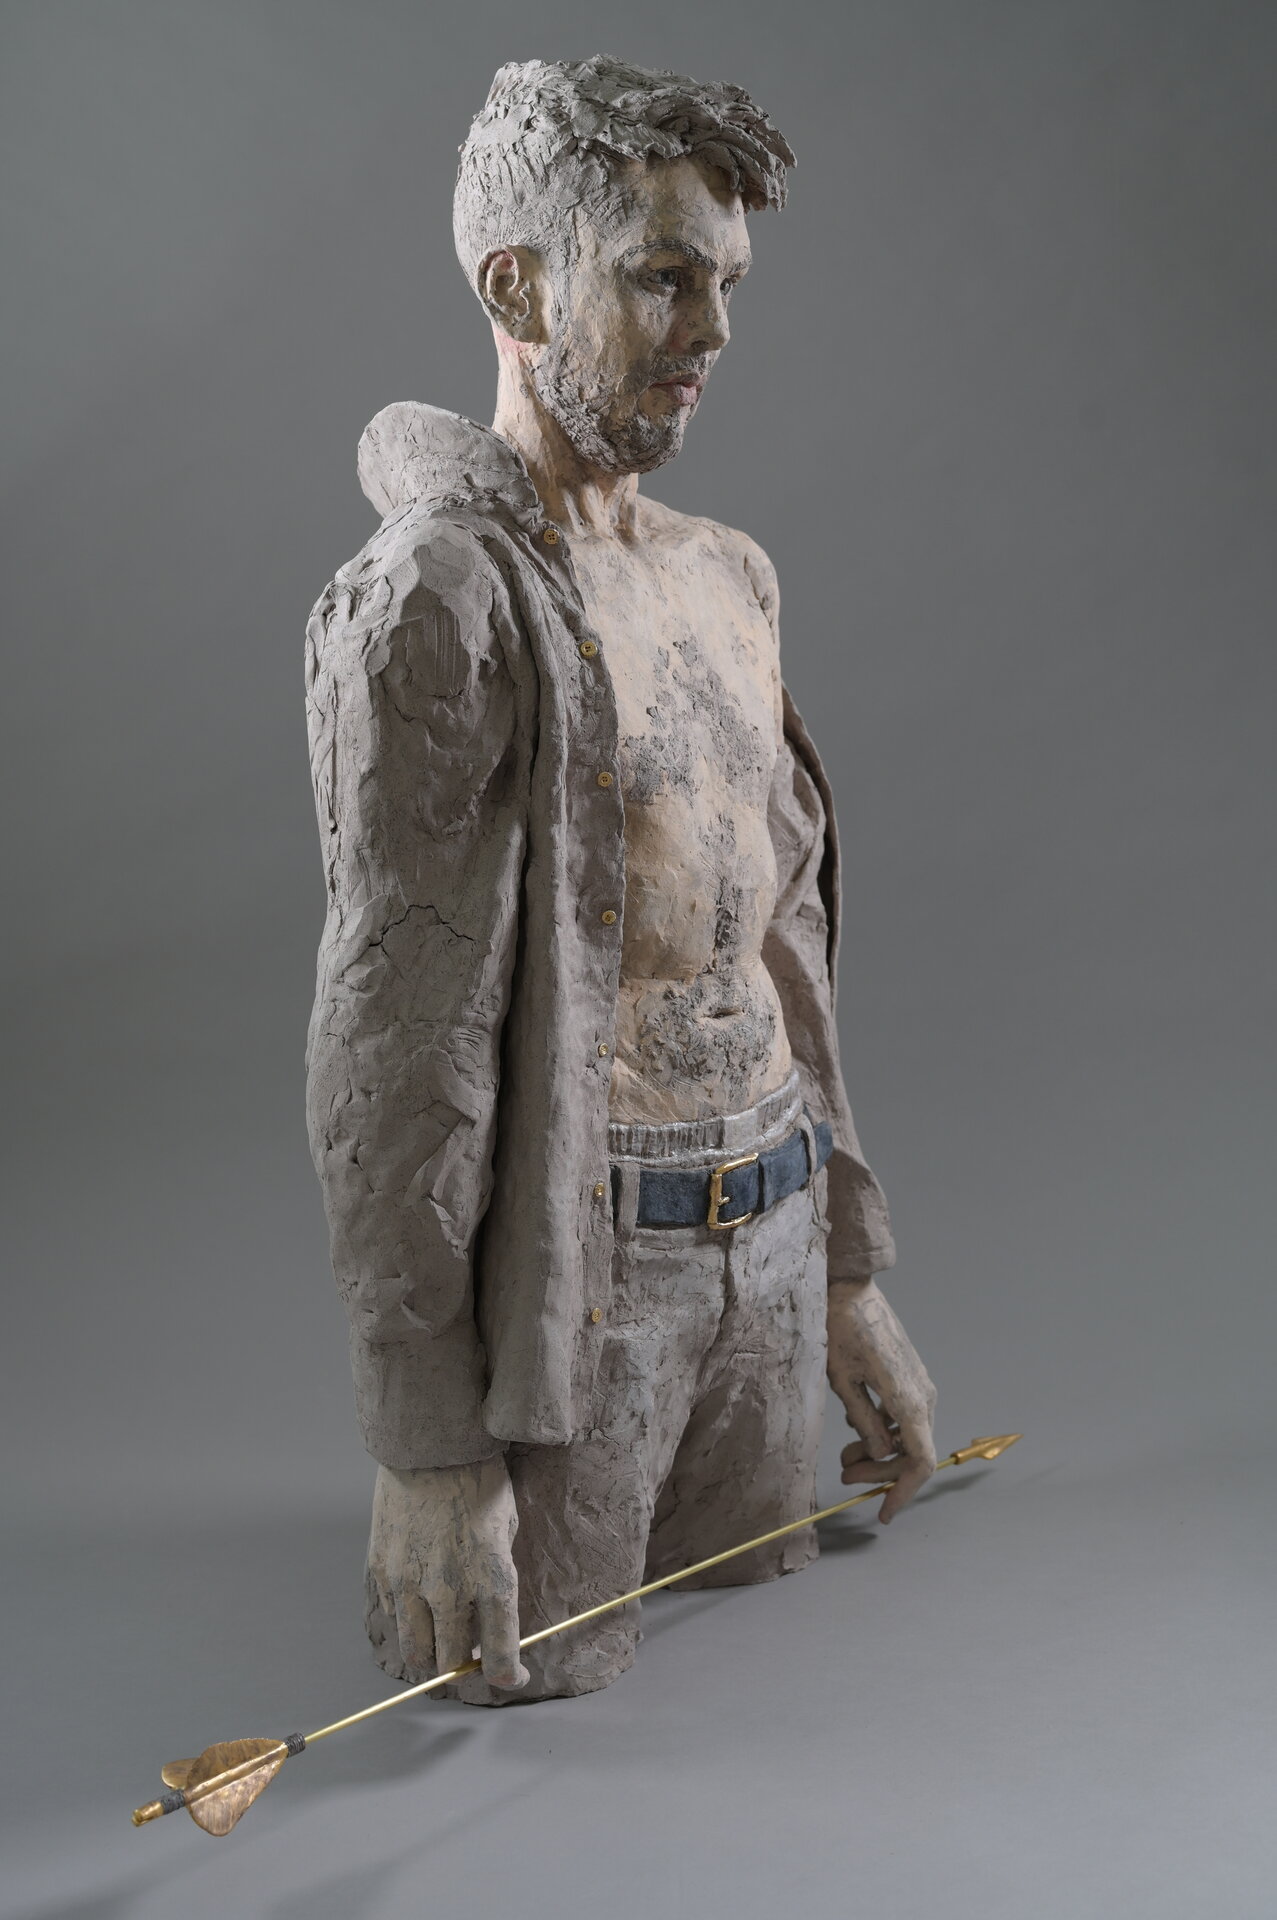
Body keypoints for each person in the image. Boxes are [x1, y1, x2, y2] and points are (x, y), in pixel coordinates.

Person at [305, 56, 936, 1705]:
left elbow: (783, 946)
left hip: (768, 1258)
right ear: (519, 288)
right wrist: (428, 1449)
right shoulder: (436, 603)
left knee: (769, 1631)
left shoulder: (728, 576)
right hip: (590, 1306)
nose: (711, 332)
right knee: (548, 1690)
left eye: (726, 285)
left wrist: (844, 1280)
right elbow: (391, 1041)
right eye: (662, 278)